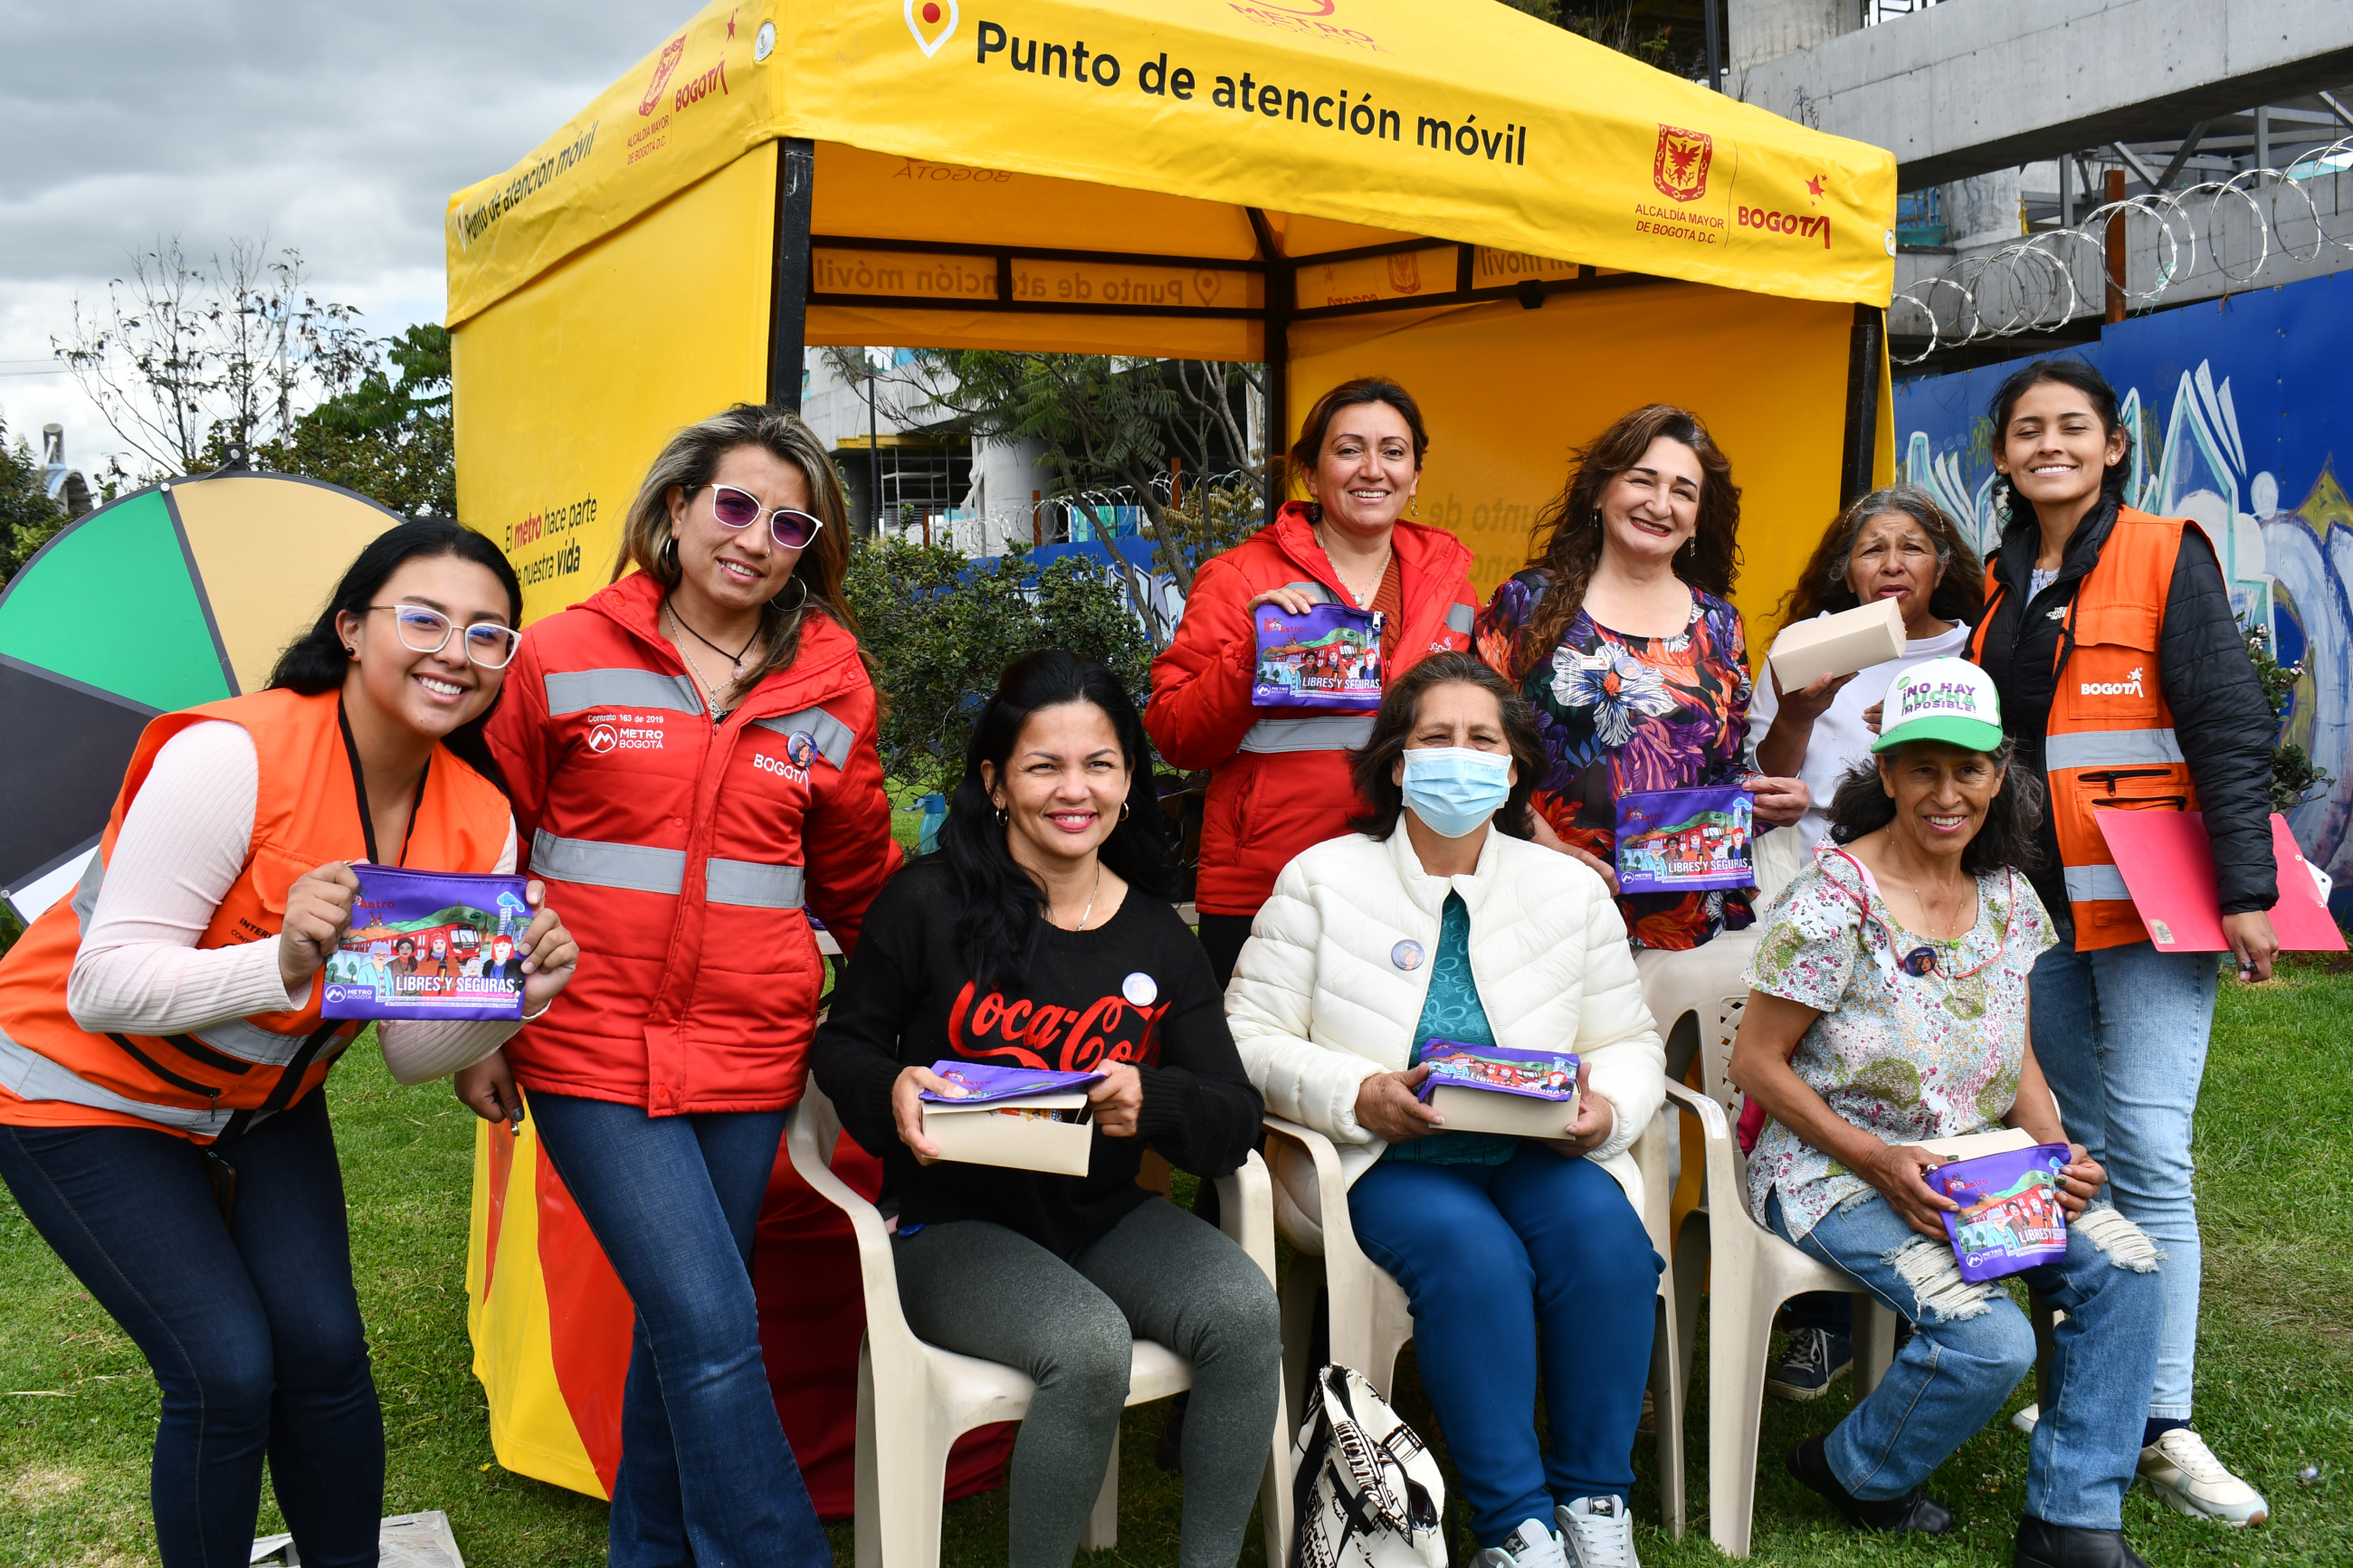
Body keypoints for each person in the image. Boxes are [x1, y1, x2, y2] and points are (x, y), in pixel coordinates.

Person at [0, 519, 578, 1568]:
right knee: (224, 1368)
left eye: (489, 633)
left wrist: (518, 998)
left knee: (323, 1351)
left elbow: (409, 1052)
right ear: (352, 629)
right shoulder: (233, 754)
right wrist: (283, 960)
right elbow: (101, 983)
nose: (456, 649)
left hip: (262, 1105)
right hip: (76, 1089)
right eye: (425, 618)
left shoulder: (479, 813)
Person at [473, 404, 900, 1567]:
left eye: (789, 521)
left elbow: (857, 868)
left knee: (683, 1331)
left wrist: (931, 998)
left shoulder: (831, 679)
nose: (756, 536)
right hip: (584, 1041)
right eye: (734, 504)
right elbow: (480, 837)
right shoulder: (560, 654)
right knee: (713, 1325)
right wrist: (471, 1020)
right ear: (674, 507)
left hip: (751, 1050)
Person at [810, 651, 1277, 1568]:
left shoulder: (1157, 934)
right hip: (951, 1225)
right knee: (1087, 1344)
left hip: (1101, 1214)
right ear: (993, 781)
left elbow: (1235, 1115)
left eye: (1099, 763)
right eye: (1043, 764)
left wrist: (1153, 1097)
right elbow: (844, 1044)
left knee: (1245, 1311)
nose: (1075, 789)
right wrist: (892, 1085)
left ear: (1130, 778)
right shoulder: (925, 903)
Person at [1227, 651, 1667, 1568]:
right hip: (1387, 1158)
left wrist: (1604, 1106)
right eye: (1435, 737)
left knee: (1609, 1244)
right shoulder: (1321, 877)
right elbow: (1247, 1036)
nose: (1458, 756)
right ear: (1395, 760)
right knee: (1477, 1260)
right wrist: (1359, 1092)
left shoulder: (1566, 888)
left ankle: (1593, 1504)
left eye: (1481, 739)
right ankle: (1516, 1526)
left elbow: (1625, 1040)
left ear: (1510, 770)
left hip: (1533, 1149)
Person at [1728, 656, 2164, 1568]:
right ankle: (1856, 1469)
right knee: (1987, 1338)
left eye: (1966, 767)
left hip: (1976, 1159)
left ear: (1995, 775)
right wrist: (1880, 1159)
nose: (1945, 791)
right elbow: (1755, 1063)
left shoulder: (2006, 896)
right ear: (1883, 773)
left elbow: (2016, 1050)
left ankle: (2071, 1519)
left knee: (2121, 1265)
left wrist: (2054, 1150)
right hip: (1828, 1171)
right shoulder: (1832, 897)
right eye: (1920, 766)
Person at [1967, 357, 2278, 1526]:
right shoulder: (2006, 588)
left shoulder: (2163, 553)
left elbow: (2228, 719)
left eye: (2073, 427)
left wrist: (2245, 886)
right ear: (2003, 456)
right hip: (2035, 912)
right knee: (2073, 1151)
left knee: (2149, 1152)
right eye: (2028, 429)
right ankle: (2093, 1391)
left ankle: (2164, 1421)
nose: (2050, 443)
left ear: (2110, 448)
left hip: (2150, 907)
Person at [1743, 483, 1983, 1401]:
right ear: (1842, 567)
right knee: (1819, 1096)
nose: (1890, 563)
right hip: (1821, 913)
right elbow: (1767, 772)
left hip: (1930, 908)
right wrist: (1800, 719)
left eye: (1909, 546)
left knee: (1918, 1096)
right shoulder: (1805, 649)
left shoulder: (1973, 651)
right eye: (1869, 548)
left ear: (1940, 564)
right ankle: (1817, 1318)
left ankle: (1944, 1283)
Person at [1147, 375, 1480, 987]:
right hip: (1269, 880)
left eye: (1394, 451)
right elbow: (1175, 734)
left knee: (1383, 1071)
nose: (1372, 469)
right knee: (1259, 1071)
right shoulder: (1240, 577)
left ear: (1416, 473)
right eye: (1349, 449)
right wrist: (1254, 653)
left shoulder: (1451, 583)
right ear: (1309, 470)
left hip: (1413, 877)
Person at [1474, 404, 1808, 950]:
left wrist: (1763, 801)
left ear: (1698, 517)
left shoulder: (1719, 625)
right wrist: (1547, 848)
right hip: (1537, 895)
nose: (1660, 504)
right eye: (1642, 481)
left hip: (1677, 918)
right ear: (1601, 491)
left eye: (1683, 491)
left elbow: (1718, 770)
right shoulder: (1526, 600)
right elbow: (1476, 748)